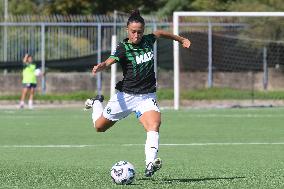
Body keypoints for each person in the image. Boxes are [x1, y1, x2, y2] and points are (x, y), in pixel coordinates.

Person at [85, 10, 191, 177]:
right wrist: (102, 66)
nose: (136, 35)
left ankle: (150, 163)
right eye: (133, 32)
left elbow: (161, 33)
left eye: (139, 32)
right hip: (125, 97)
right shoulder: (123, 47)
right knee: (99, 127)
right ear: (127, 30)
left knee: (154, 125)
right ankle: (96, 102)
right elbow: (110, 60)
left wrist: (181, 39)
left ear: (143, 30)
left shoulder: (148, 40)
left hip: (147, 96)